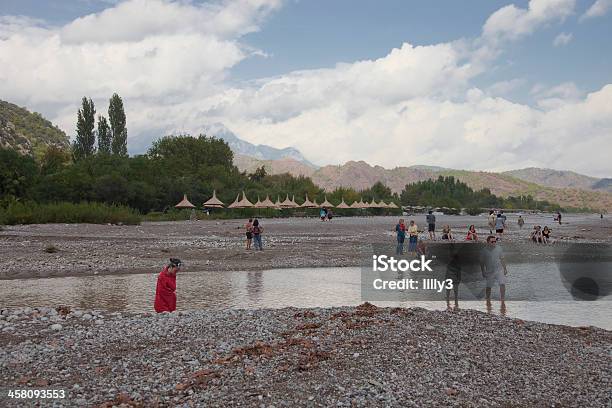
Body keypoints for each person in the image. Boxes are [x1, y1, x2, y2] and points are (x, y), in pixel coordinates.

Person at [480, 236, 508, 307]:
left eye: (495, 241)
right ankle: (488, 299)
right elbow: (482, 262)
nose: (494, 243)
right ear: (488, 242)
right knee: (489, 286)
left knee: (502, 283)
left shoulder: (499, 248)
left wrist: (505, 268)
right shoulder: (484, 250)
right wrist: (483, 271)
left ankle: (502, 300)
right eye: (492, 241)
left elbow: (502, 259)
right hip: (489, 271)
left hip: (499, 269)